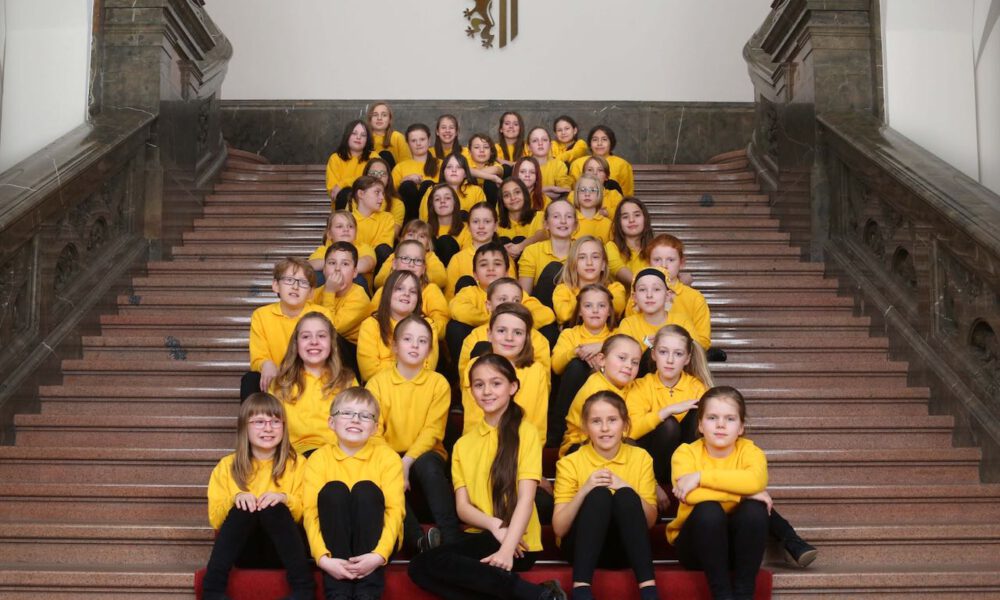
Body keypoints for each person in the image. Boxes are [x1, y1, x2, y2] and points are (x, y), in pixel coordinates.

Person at [408, 354, 566, 600]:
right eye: (479, 385)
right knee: (420, 568)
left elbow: (526, 498)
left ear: (512, 387)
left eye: (496, 383)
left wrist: (506, 547)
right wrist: (495, 525)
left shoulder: (526, 432)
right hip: (484, 534)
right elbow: (462, 507)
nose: (486, 391)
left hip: (520, 542)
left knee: (428, 564)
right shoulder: (462, 445)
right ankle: (539, 595)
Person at [203, 393, 313, 600]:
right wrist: (236, 498)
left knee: (274, 507)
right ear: (245, 427)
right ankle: (213, 590)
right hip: (246, 550)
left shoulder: (299, 464)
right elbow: (216, 520)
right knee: (244, 506)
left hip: (286, 549)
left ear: (284, 427)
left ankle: (303, 589)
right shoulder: (227, 466)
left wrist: (284, 499)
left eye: (275, 421)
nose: (268, 428)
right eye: (259, 422)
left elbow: (310, 514)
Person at [365, 315, 461, 550]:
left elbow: (433, 431)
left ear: (430, 350)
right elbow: (373, 431)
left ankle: (452, 537)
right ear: (395, 347)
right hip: (386, 453)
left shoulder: (438, 383)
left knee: (427, 464)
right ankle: (417, 540)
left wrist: (405, 463)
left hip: (426, 454)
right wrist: (394, 463)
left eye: (422, 341)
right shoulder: (377, 383)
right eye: (408, 339)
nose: (415, 345)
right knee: (378, 473)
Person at [552, 391, 660, 600]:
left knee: (626, 495)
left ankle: (649, 591)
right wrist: (585, 490)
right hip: (581, 548)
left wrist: (624, 486)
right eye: (596, 421)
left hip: (625, 547)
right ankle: (581, 589)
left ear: (625, 425)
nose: (604, 428)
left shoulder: (641, 458)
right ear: (585, 427)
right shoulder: (569, 463)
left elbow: (650, 520)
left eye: (612, 420)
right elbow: (559, 528)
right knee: (599, 495)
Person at [303, 387, 404, 600]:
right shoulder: (318, 459)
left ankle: (367, 592)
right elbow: (310, 513)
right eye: (347, 413)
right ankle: (338, 592)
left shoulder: (388, 458)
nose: (356, 420)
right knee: (334, 491)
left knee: (365, 490)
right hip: (334, 539)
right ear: (331, 422)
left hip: (377, 543)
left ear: (375, 428)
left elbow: (395, 512)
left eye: (365, 415)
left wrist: (378, 555)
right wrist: (322, 559)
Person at [668, 386, 769, 600]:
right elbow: (690, 495)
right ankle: (722, 595)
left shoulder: (751, 452)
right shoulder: (685, 453)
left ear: (741, 427)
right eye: (712, 417)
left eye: (730, 419)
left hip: (738, 548)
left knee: (754, 510)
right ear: (700, 425)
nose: (721, 425)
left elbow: (755, 481)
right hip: (695, 547)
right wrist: (742, 494)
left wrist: (700, 478)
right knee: (708, 511)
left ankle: (744, 594)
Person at [628, 324, 712, 509]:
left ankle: (690, 478)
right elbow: (629, 432)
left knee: (700, 414)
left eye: (678, 354)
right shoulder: (640, 386)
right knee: (669, 425)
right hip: (654, 463)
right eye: (664, 352)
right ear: (653, 354)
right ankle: (655, 483)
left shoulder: (697, 387)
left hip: (685, 463)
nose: (670, 360)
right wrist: (666, 411)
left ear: (687, 358)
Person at [270, 312, 358, 455]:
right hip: (295, 458)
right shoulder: (280, 384)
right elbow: (272, 431)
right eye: (306, 336)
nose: (314, 341)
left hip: (338, 456)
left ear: (332, 342)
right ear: (296, 344)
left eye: (321, 336)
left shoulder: (347, 381)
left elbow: (356, 425)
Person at [245, 257, 332, 400]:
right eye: (289, 280)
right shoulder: (261, 315)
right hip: (276, 377)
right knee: (251, 379)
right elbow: (257, 357)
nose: (295, 287)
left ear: (311, 293)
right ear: (276, 285)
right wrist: (266, 364)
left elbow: (328, 356)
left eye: (303, 282)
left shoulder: (322, 315)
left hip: (311, 377)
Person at [550, 284, 618, 443]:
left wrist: (602, 346)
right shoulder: (570, 334)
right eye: (588, 306)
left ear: (609, 311)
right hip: (574, 390)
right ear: (580, 311)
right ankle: (557, 432)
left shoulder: (617, 334)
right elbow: (556, 366)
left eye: (601, 306)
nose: (595, 310)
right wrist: (576, 352)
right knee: (576, 366)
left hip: (607, 392)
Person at [558, 334, 642, 458]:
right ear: (602, 360)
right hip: (582, 444)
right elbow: (605, 431)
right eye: (622, 358)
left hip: (613, 438)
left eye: (635, 362)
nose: (629, 365)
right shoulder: (596, 388)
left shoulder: (634, 386)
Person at [356, 270, 440, 382]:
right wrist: (410, 366)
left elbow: (428, 369)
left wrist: (386, 364)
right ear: (387, 293)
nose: (406, 294)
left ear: (418, 299)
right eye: (399, 288)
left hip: (418, 389)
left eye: (413, 291)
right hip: (380, 391)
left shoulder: (428, 325)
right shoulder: (370, 325)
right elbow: (369, 373)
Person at [643, 233, 715, 357]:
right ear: (648, 263)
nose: (663, 265)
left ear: (681, 263)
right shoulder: (640, 294)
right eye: (657, 260)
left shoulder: (694, 298)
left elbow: (703, 341)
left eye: (670, 260)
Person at [616, 268, 697, 375]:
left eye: (656, 289)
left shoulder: (682, 321)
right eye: (642, 290)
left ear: (668, 296)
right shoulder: (628, 324)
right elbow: (623, 358)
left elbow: (695, 353)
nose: (649, 295)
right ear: (634, 297)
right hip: (640, 382)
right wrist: (647, 346)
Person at [310, 242, 372, 375]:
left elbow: (331, 329)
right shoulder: (316, 293)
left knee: (330, 337)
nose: (337, 269)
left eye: (345, 264)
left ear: (355, 272)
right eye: (332, 263)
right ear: (324, 270)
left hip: (350, 355)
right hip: (321, 350)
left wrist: (330, 292)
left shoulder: (360, 297)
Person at [368, 238, 450, 338]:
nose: (411, 264)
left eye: (417, 260)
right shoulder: (383, 291)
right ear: (394, 264)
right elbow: (371, 320)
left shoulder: (431, 290)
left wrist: (418, 331)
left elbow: (442, 326)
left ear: (424, 268)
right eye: (405, 258)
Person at [551, 236, 627, 326]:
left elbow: (617, 306)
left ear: (603, 264)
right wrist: (599, 303)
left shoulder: (615, 288)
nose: (589, 262)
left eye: (595, 257)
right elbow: (564, 314)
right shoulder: (563, 290)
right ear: (573, 264)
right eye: (582, 257)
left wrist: (583, 305)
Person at [445, 202, 515, 298]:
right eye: (475, 221)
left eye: (487, 221)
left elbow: (513, 293)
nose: (481, 226)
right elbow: (450, 298)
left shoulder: (504, 258)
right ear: (468, 227)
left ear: (495, 226)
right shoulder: (457, 259)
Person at [518, 199, 577, 308]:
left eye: (568, 217)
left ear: (575, 225)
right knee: (554, 269)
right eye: (556, 216)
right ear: (546, 224)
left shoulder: (583, 251)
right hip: (542, 312)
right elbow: (524, 296)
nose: (563, 221)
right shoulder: (532, 251)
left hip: (574, 310)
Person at [373, 220, 448, 291]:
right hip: (397, 292)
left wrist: (420, 279)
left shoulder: (430, 256)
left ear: (428, 245)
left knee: (433, 289)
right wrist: (399, 279)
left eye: (421, 236)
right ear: (402, 240)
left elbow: (441, 278)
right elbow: (378, 281)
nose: (415, 239)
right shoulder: (394, 256)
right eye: (410, 235)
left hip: (422, 294)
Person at [307, 211, 375, 289]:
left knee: (357, 278)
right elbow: (309, 265)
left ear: (356, 233)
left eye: (350, 226)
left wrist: (332, 264)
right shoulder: (323, 250)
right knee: (318, 276)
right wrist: (342, 265)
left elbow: (367, 264)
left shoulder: (364, 248)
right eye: (339, 226)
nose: (346, 229)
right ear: (329, 234)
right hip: (327, 293)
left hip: (356, 296)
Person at [392, 124, 440, 222]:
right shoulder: (400, 167)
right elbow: (390, 194)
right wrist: (405, 180)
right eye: (413, 141)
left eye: (422, 139)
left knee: (428, 185)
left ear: (429, 141)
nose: (418, 143)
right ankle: (410, 229)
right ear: (408, 144)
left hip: (433, 218)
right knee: (408, 185)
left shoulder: (441, 164)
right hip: (407, 218)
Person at [419, 152, 486, 221]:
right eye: (449, 167)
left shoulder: (476, 191)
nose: (454, 170)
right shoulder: (432, 190)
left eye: (459, 167)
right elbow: (424, 219)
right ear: (443, 172)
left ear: (465, 173)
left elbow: (483, 219)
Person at [570, 126, 634, 196]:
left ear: (611, 142)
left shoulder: (623, 165)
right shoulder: (577, 164)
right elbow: (574, 194)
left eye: (604, 139)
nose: (599, 143)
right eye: (595, 140)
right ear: (590, 143)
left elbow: (626, 196)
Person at [326, 120, 375, 209]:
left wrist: (343, 183)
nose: (358, 137)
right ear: (347, 136)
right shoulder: (335, 158)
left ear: (367, 140)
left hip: (368, 207)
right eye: (354, 133)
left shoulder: (374, 157)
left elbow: (374, 182)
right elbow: (333, 190)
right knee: (346, 193)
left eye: (363, 135)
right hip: (342, 208)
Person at [349, 176, 396, 269]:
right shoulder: (346, 220)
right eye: (377, 192)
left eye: (383, 193)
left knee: (383, 249)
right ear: (361, 194)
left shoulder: (387, 218)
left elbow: (384, 250)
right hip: (353, 268)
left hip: (377, 269)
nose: (382, 197)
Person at [607, 197, 654, 286]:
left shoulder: (656, 248)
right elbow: (620, 270)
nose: (631, 220)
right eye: (625, 217)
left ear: (645, 218)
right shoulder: (611, 247)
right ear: (619, 222)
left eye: (637, 215)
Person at [497, 178, 546, 260]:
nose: (513, 198)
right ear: (502, 202)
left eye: (517, 192)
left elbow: (543, 234)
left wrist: (520, 246)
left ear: (525, 194)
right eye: (506, 195)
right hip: (506, 268)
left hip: (533, 265)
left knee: (519, 240)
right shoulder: (496, 224)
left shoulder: (539, 216)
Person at [426, 183, 470, 266]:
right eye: (437, 199)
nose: (442, 201)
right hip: (431, 275)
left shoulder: (467, 229)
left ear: (455, 203)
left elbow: (466, 261)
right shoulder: (425, 230)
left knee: (446, 242)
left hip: (457, 272)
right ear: (432, 205)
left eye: (447, 198)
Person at [526, 126, 573, 200]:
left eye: (544, 140)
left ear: (550, 145)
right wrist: (549, 188)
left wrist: (536, 191)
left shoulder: (558, 165)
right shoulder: (522, 165)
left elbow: (565, 190)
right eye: (535, 141)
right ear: (528, 147)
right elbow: (522, 192)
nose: (540, 143)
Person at [363, 157, 405, 231]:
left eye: (383, 174)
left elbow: (393, 233)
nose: (378, 177)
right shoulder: (356, 198)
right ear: (365, 176)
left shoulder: (397, 204)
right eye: (373, 173)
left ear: (388, 178)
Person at [367, 101, 410, 169]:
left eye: (384, 115)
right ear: (370, 119)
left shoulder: (397, 137)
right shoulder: (364, 138)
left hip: (393, 176)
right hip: (368, 177)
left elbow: (406, 163)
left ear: (389, 119)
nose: (379, 118)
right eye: (375, 115)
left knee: (386, 155)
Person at [572, 175, 614, 243]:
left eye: (592, 190)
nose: (587, 194)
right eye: (583, 190)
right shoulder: (570, 221)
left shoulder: (608, 224)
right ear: (576, 193)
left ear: (599, 194)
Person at [467, 132, 505, 206]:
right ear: (469, 151)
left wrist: (469, 174)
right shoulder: (466, 163)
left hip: (490, 203)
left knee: (490, 183)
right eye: (477, 147)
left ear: (491, 152)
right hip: (470, 202)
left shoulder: (494, 164)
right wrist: (493, 177)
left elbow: (496, 170)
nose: (482, 150)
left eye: (486, 147)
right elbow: (463, 172)